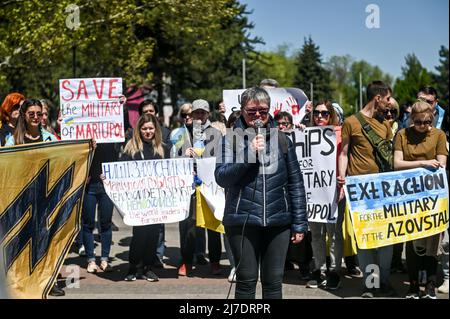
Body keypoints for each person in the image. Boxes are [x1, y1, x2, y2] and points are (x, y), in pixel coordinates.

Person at [215, 86, 308, 299]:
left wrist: (300, 223)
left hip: (278, 222)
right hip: (242, 222)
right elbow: (222, 177)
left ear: (270, 111)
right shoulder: (229, 140)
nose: (258, 116)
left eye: (263, 111)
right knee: (246, 283)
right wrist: (249, 153)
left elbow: (296, 183)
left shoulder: (283, 140)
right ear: (242, 110)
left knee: (273, 284)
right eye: (252, 111)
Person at [338, 81, 394, 298]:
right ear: (377, 98)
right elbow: (344, 152)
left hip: (384, 189)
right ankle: (371, 284)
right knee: (366, 239)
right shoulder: (351, 122)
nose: (389, 103)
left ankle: (385, 282)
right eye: (387, 98)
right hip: (360, 190)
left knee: (387, 239)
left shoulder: (386, 125)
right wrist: (342, 177)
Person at [4, 99, 63, 296]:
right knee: (20, 240)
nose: (36, 117)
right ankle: (18, 281)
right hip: (20, 198)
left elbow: (64, 159)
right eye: (32, 114)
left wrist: (88, 146)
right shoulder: (13, 141)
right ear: (24, 115)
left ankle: (48, 281)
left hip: (45, 197)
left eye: (39, 113)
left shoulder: (50, 138)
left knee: (46, 240)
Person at [393, 100, 447, 299]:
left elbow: (441, 163)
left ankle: (430, 284)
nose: (422, 126)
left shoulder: (439, 135)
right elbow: (397, 163)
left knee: (432, 241)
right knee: (413, 242)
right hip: (409, 196)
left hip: (432, 196)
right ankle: (413, 285)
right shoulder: (402, 135)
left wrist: (419, 165)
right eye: (418, 122)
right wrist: (423, 162)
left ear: (431, 119)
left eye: (426, 122)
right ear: (411, 120)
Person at [175, 99, 223, 276]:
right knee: (188, 226)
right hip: (188, 186)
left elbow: (220, 158)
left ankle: (215, 261)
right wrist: (183, 157)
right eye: (197, 112)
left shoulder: (216, 134)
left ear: (208, 114)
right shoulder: (180, 134)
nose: (200, 116)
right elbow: (172, 159)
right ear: (191, 114)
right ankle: (186, 261)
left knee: (213, 224)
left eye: (203, 112)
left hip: (210, 185)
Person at [122, 114, 169, 282]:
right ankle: (133, 267)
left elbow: (171, 171)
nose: (148, 131)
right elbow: (120, 172)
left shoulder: (163, 148)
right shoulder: (131, 148)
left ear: (155, 129)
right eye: (144, 129)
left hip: (157, 200)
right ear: (139, 130)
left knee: (153, 235)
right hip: (138, 200)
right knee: (139, 235)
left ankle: (148, 268)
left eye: (150, 128)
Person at [305, 100, 343, 290]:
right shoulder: (306, 134)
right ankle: (318, 270)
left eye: (324, 113)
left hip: (334, 191)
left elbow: (344, 159)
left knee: (334, 234)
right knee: (316, 234)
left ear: (331, 115)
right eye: (317, 113)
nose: (320, 116)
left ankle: (335, 271)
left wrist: (342, 182)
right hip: (313, 192)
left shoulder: (339, 133)